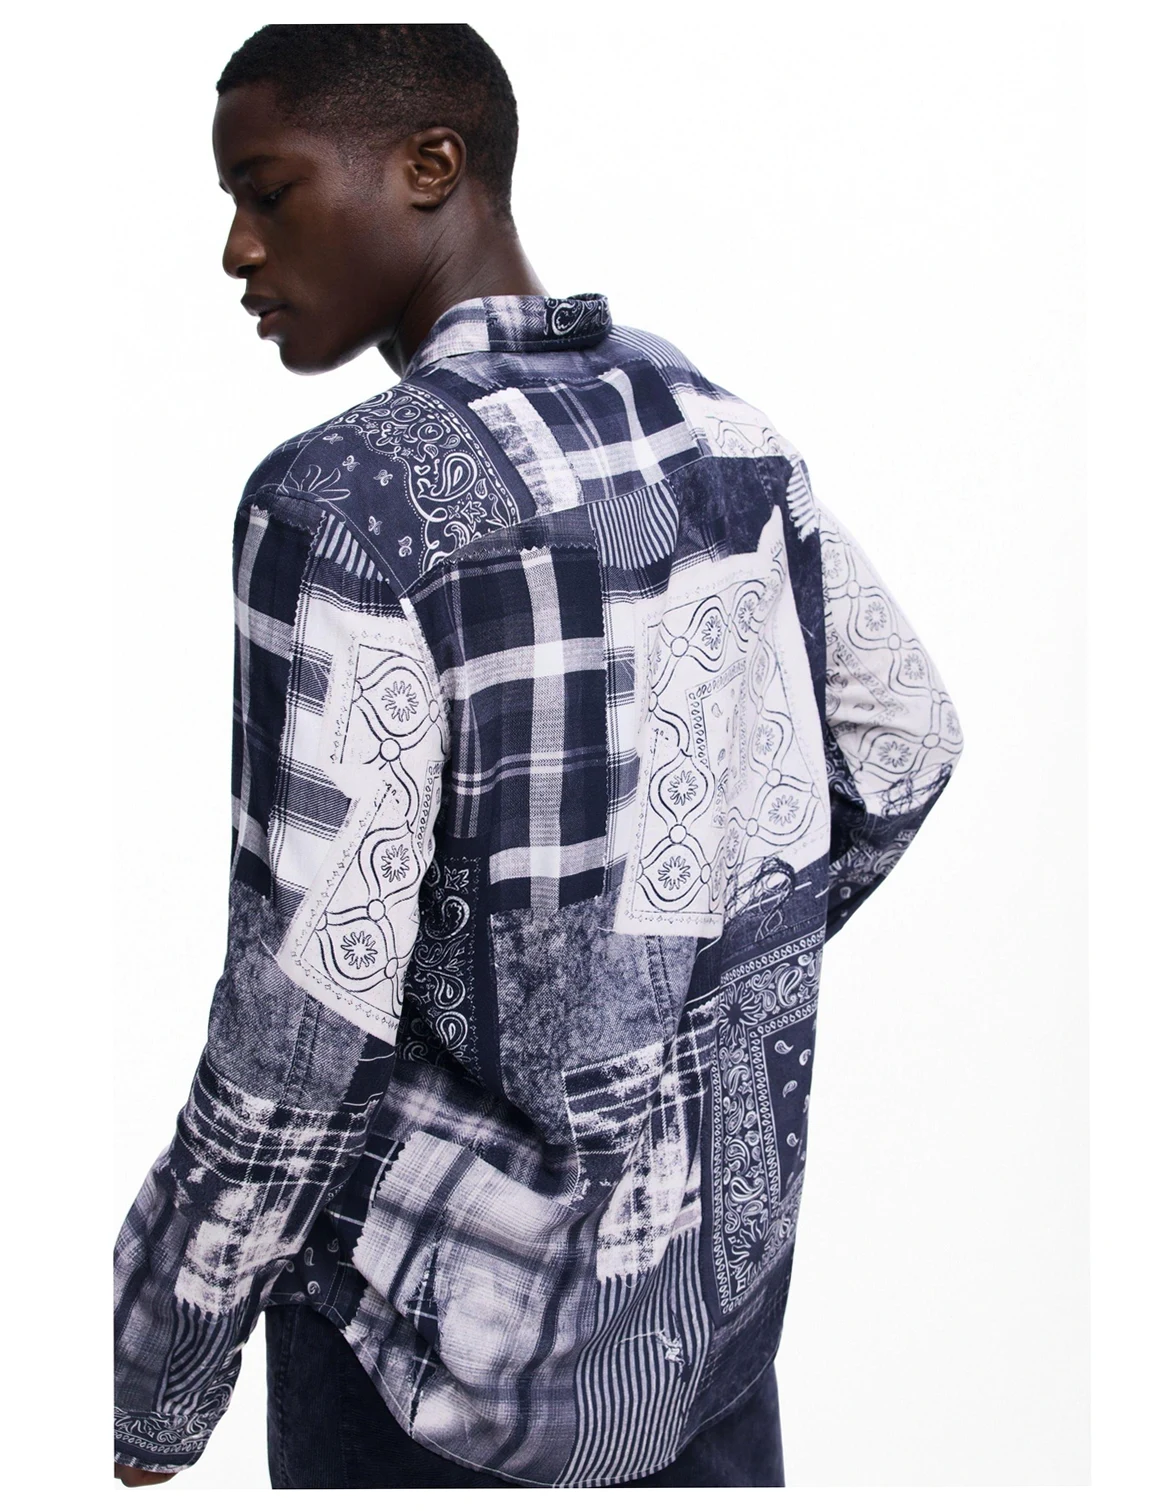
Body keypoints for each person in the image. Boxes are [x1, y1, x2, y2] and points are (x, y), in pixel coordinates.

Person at [113, 22, 966, 1490]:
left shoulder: (342, 506)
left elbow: (297, 1027)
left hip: (430, 1377)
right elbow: (902, 748)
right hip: (701, 1342)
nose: (237, 249)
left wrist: (159, 1372)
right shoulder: (721, 435)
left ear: (431, 164)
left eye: (268, 190)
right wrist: (684, 980)